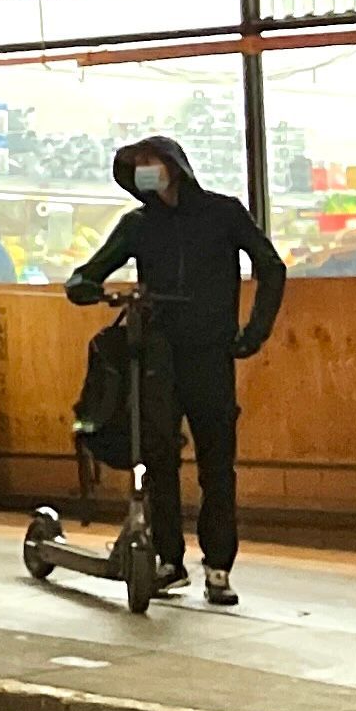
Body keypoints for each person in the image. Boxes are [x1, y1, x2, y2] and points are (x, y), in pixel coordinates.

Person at [66, 133, 287, 606]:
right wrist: (83, 286)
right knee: (159, 462)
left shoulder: (223, 213)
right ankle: (168, 560)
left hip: (211, 356)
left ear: (173, 165)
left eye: (150, 162)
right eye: (137, 165)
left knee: (217, 466)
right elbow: (88, 272)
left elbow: (271, 267)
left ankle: (219, 566)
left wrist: (255, 331)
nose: (145, 171)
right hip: (156, 360)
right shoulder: (137, 225)